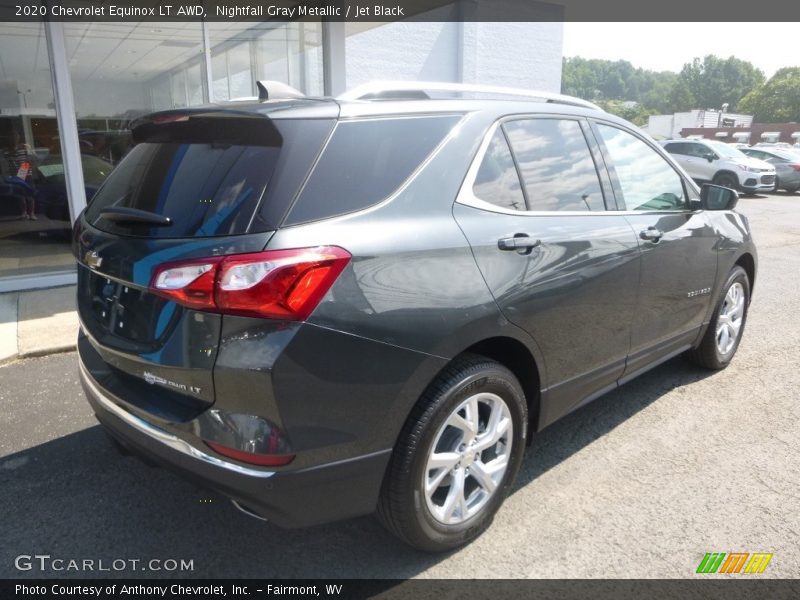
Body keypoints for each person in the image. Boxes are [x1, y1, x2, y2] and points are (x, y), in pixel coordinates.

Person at [3, 129, 37, 220]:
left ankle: (32, 213)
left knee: (30, 194)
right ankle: (24, 213)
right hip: (15, 174)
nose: (13, 139)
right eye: (11, 137)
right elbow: (7, 158)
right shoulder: (6, 151)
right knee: (19, 195)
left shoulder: (25, 147)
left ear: (18, 138)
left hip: (26, 172)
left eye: (15, 137)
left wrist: (26, 170)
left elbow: (32, 157)